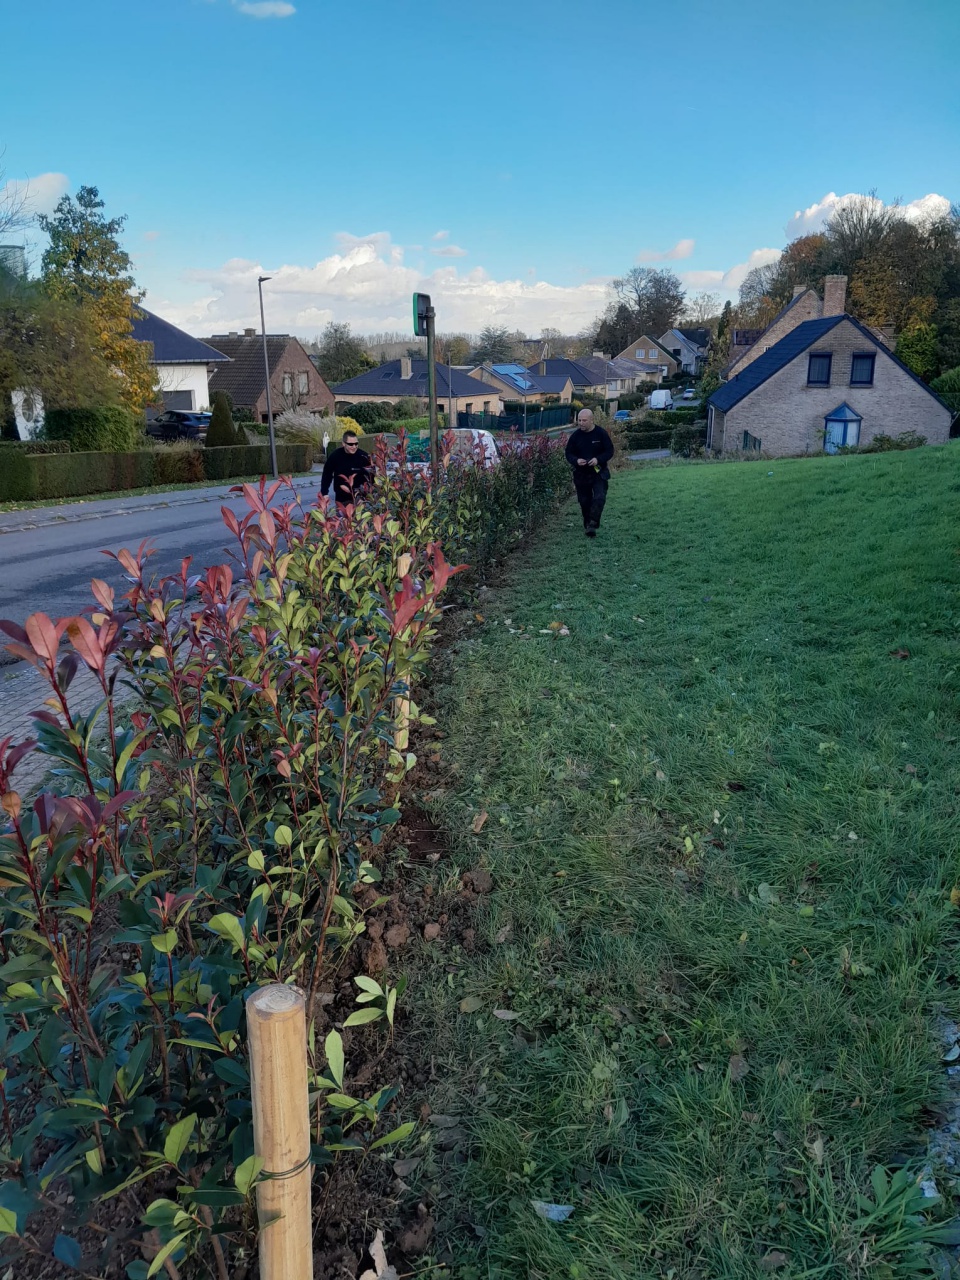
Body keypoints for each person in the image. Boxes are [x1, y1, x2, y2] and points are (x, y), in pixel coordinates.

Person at [564, 409, 614, 537]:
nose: (581, 423)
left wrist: (598, 459)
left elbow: (609, 451)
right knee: (584, 501)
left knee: (599, 497)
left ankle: (593, 523)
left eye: (584, 420)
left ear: (592, 420)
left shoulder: (601, 434)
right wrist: (576, 460)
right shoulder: (575, 436)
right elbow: (568, 453)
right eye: (579, 420)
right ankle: (587, 524)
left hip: (599, 472)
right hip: (581, 474)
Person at [320, 430, 373, 508]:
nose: (354, 447)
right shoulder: (335, 456)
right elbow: (327, 475)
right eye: (350, 444)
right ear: (343, 444)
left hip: (361, 499)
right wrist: (324, 493)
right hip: (342, 500)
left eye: (356, 444)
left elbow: (371, 477)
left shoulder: (363, 457)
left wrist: (367, 496)